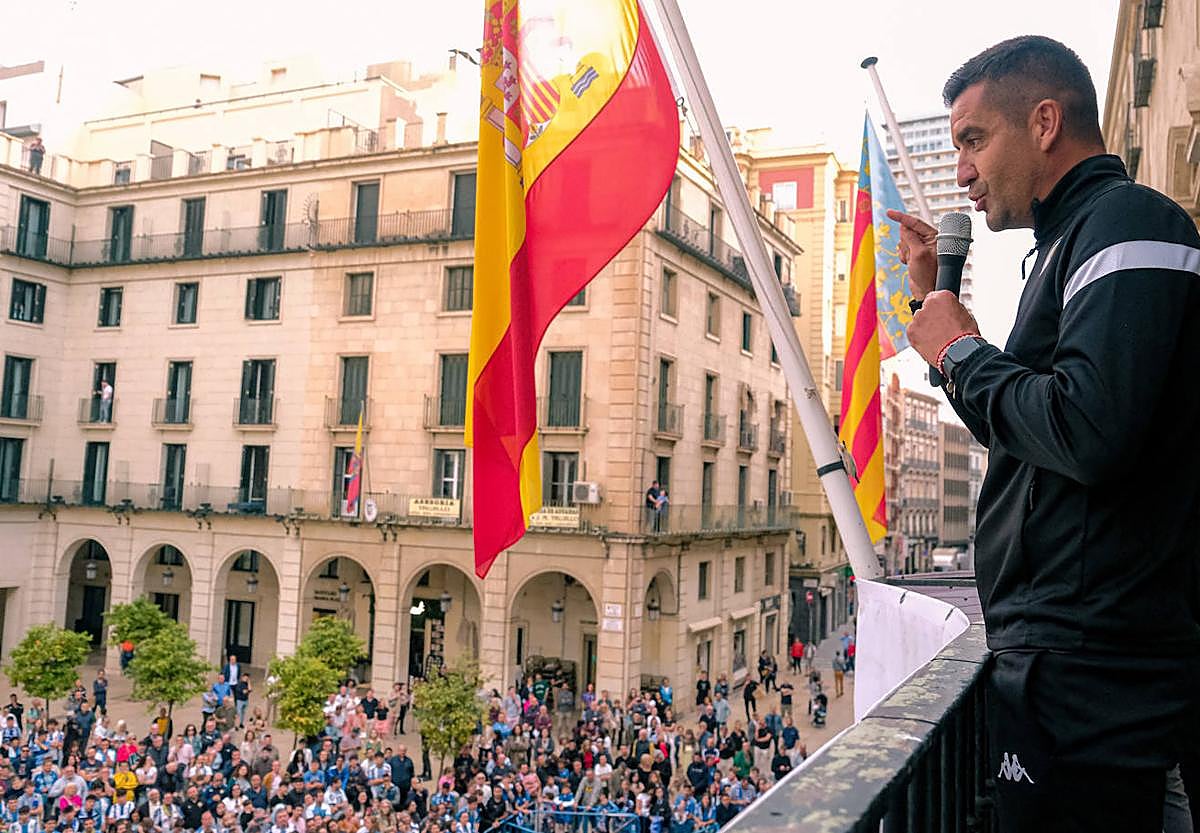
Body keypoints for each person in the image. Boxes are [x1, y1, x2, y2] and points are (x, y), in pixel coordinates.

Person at [892, 35, 1200, 833]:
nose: (962, 170)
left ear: (1044, 121)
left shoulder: (1128, 219)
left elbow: (1088, 427)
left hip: (1097, 672)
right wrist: (946, 330)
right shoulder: (1065, 244)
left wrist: (962, 349)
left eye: (972, 139)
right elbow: (1033, 437)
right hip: (1062, 666)